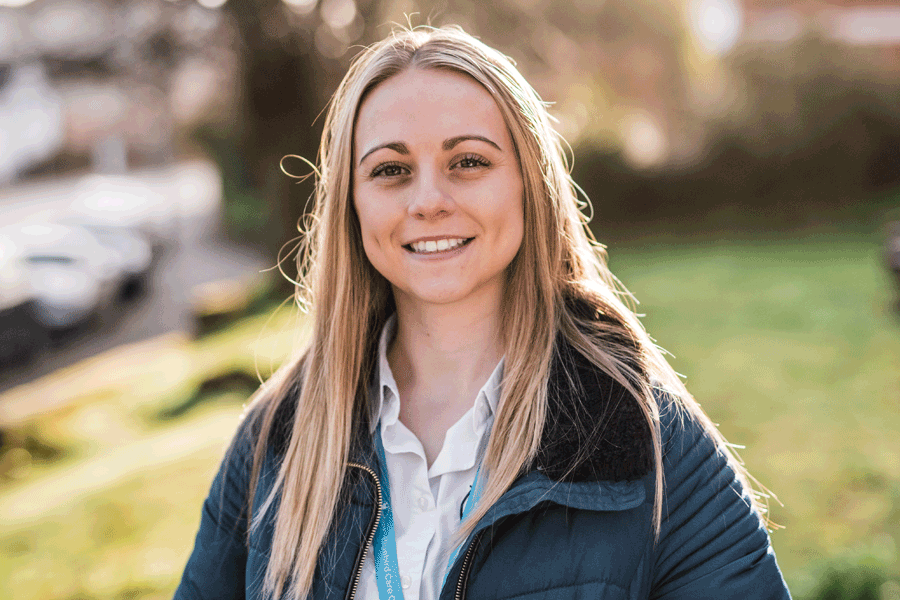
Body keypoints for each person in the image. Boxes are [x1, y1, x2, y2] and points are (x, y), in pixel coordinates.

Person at [173, 26, 792, 600]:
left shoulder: (645, 437)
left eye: (468, 161)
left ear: (529, 183)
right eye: (390, 170)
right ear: (351, 205)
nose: (428, 201)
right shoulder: (273, 441)